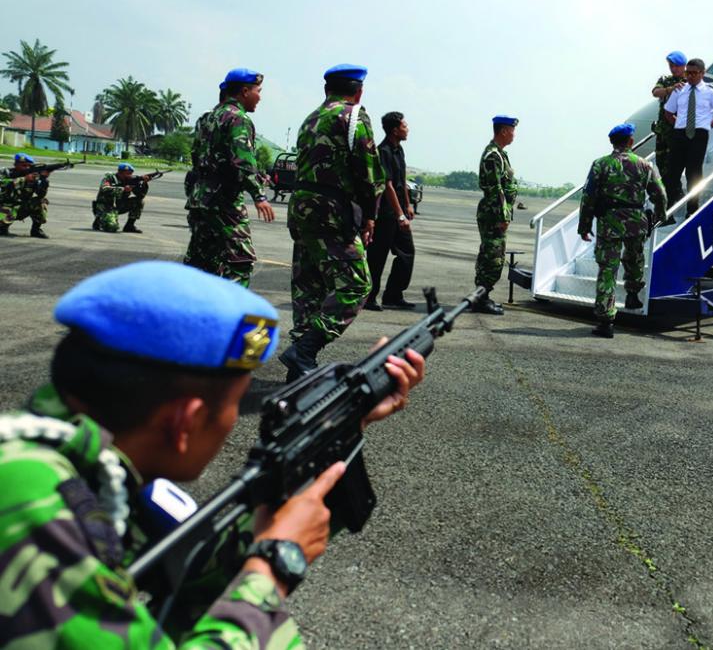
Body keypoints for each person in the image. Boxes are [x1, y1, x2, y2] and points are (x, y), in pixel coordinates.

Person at [0, 260, 424, 647]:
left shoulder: (68, 465)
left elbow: (190, 574)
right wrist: (272, 572)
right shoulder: (33, 507)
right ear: (186, 421)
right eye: (235, 406)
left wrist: (344, 419)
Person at [281, 64, 387, 382]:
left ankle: (298, 367)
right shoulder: (354, 116)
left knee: (309, 286)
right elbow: (368, 171)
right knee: (356, 284)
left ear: (327, 90)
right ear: (358, 91)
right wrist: (370, 214)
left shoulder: (310, 119)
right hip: (331, 213)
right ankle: (304, 351)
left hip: (302, 210)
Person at [184, 68, 276, 287]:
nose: (260, 97)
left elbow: (197, 156)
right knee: (240, 261)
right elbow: (242, 161)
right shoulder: (238, 119)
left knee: (201, 261)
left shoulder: (207, 118)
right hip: (224, 202)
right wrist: (259, 195)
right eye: (258, 91)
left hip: (200, 200)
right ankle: (232, 312)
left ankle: (188, 311)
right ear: (245, 91)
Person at [578, 123, 668, 339]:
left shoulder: (600, 164)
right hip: (636, 222)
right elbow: (660, 194)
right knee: (634, 258)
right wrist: (661, 214)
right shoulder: (645, 165)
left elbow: (588, 197)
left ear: (612, 142)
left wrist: (584, 225)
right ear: (630, 141)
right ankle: (633, 294)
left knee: (608, 269)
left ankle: (606, 320)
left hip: (609, 223)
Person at [662, 59, 713, 218]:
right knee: (673, 171)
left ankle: (692, 208)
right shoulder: (680, 90)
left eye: (693, 73)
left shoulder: (710, 92)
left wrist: (708, 125)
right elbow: (668, 111)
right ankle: (669, 207)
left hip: (699, 134)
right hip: (680, 133)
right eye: (687, 73)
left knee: (694, 172)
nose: (690, 76)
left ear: (702, 73)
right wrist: (677, 123)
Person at [365, 111, 415, 312]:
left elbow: (401, 182)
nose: (407, 129)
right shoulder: (383, 151)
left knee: (407, 253)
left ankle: (393, 295)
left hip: (399, 212)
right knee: (377, 257)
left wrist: (408, 205)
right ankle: (368, 297)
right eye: (404, 126)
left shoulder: (399, 151)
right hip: (385, 214)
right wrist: (399, 214)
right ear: (395, 130)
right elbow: (387, 185)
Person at [472, 115, 519, 315]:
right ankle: (481, 298)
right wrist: (503, 216)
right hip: (493, 214)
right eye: (512, 130)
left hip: (496, 212)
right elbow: (495, 189)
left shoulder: (501, 154)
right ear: (503, 131)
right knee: (491, 257)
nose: (514, 134)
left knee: (494, 256)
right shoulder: (493, 155)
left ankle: (483, 296)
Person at [650, 51, 687, 176]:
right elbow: (655, 92)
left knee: (675, 164)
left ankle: (675, 191)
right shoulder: (665, 80)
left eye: (676, 66)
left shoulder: (689, 81)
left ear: (684, 66)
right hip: (663, 130)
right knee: (661, 162)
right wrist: (670, 89)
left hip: (678, 129)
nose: (673, 69)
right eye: (671, 66)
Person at [0, 152, 50, 238]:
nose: (26, 168)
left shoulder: (33, 177)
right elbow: (3, 183)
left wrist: (44, 180)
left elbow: (41, 194)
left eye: (29, 166)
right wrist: (23, 179)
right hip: (3, 207)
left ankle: (36, 230)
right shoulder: (5, 172)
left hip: (20, 208)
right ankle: (3, 227)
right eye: (23, 165)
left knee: (40, 201)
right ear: (15, 164)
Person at [92, 162, 148, 232]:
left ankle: (129, 226)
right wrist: (123, 189)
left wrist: (144, 183)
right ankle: (99, 220)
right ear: (120, 172)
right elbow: (104, 188)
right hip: (105, 207)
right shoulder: (110, 178)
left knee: (139, 202)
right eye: (128, 173)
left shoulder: (130, 180)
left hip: (119, 205)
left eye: (131, 173)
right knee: (112, 227)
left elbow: (141, 195)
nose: (130, 175)